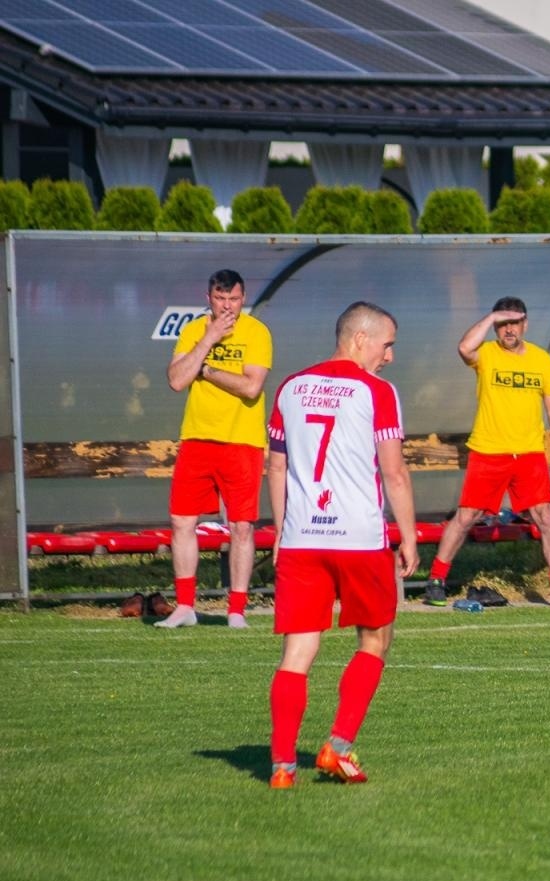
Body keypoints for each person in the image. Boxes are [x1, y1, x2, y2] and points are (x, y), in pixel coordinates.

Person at [265, 301, 417, 789]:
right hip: (359, 537)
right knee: (376, 639)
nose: (390, 356)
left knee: (298, 652)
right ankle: (338, 746)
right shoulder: (376, 391)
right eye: (387, 344)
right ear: (359, 339)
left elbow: (276, 467)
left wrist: (282, 530)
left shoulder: (290, 387)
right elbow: (393, 472)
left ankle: (282, 768)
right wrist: (410, 537)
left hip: (302, 537)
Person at [422, 297, 550, 607]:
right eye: (503, 324)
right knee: (467, 516)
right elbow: (464, 348)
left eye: (514, 323)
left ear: (525, 325)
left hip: (529, 452)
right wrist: (491, 317)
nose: (508, 330)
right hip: (489, 451)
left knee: (545, 515)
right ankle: (436, 580)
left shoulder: (541, 359)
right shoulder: (486, 354)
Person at [157, 268, 272, 629]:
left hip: (242, 441)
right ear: (208, 299)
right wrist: (208, 340)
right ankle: (185, 606)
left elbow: (250, 387)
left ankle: (236, 609)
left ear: (243, 298)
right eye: (221, 300)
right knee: (181, 521)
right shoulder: (194, 331)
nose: (228, 307)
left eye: (234, 300)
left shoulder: (257, 332)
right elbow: (177, 380)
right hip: (197, 438)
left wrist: (205, 371)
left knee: (241, 527)